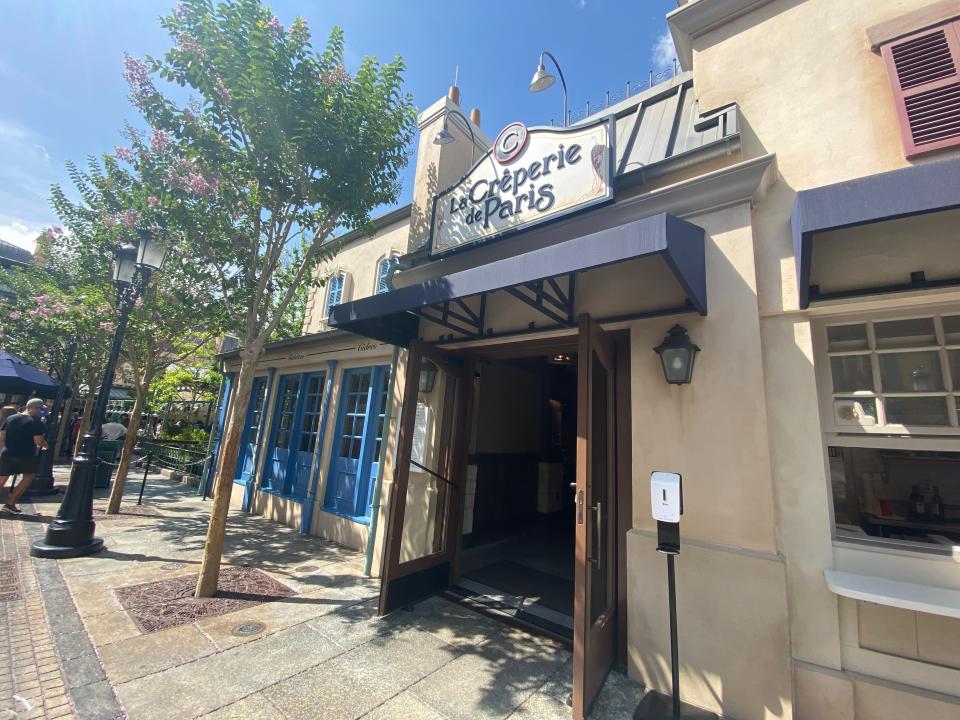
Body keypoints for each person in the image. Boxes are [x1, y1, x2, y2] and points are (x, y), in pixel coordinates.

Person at [0, 398, 48, 513]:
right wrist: (46, 445)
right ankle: (11, 503)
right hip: (25, 455)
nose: (40, 412)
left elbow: (1, 437)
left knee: (1, 479)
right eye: (39, 409)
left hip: (7, 453)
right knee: (28, 477)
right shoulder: (36, 422)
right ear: (33, 408)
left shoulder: (10, 418)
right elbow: (38, 441)